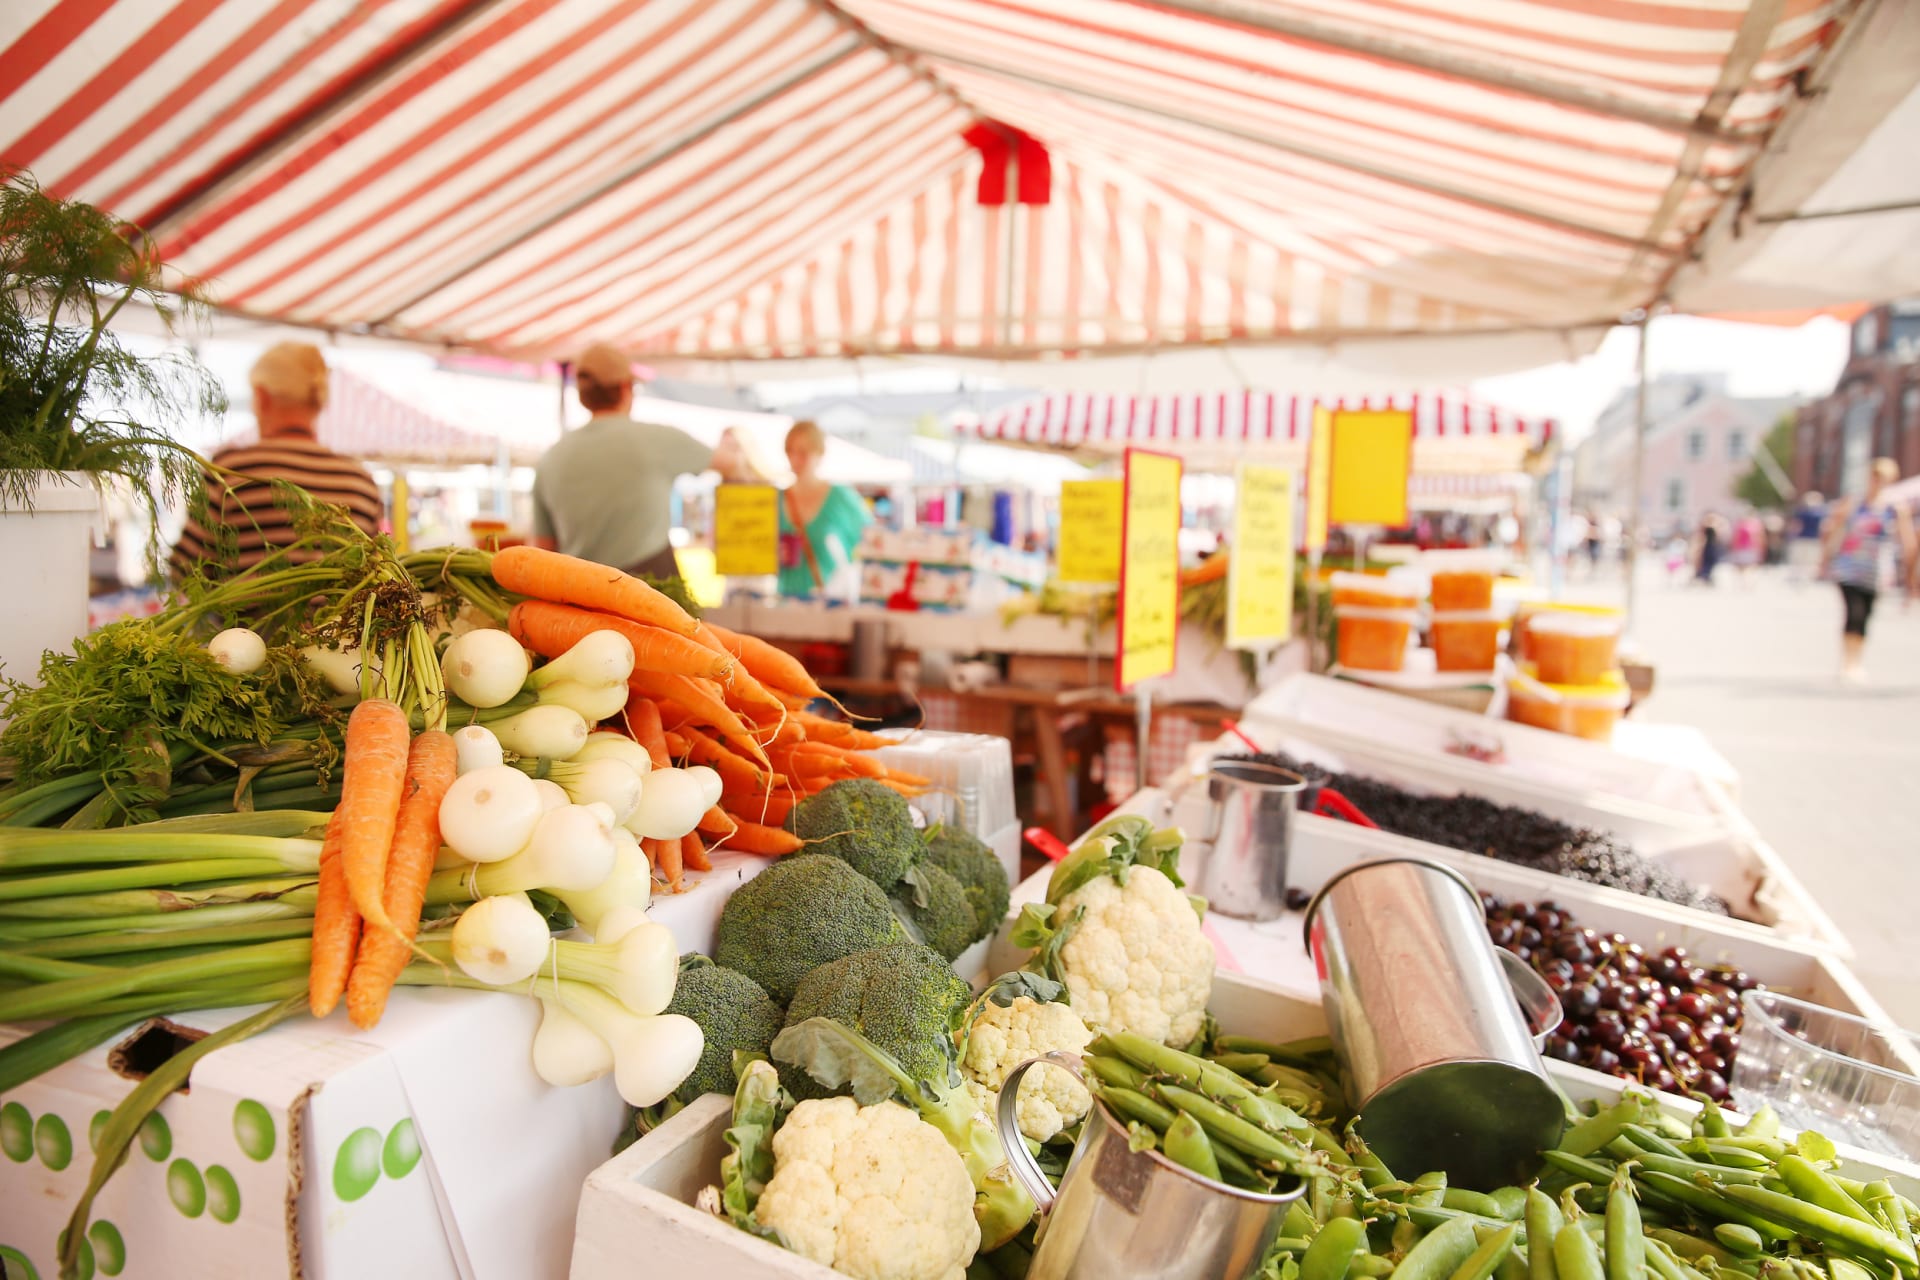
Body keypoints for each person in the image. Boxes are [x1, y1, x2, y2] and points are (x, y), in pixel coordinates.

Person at [530, 343, 752, 578]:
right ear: (626, 388)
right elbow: (730, 463)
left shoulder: (551, 459)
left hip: (581, 597)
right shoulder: (657, 440)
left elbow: (543, 549)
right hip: (654, 589)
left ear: (583, 395)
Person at [170, 343, 381, 578]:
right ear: (317, 402)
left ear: (262, 397)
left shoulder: (228, 469)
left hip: (244, 616)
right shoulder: (361, 481)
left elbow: (186, 569)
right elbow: (375, 572)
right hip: (343, 616)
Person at [1820, 458, 1915, 684]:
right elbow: (1835, 530)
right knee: (1854, 613)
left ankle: (1856, 658)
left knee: (1866, 616)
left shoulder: (1896, 509)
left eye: (1883, 479)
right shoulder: (1853, 503)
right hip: (1849, 567)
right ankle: (1847, 662)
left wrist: (1910, 573)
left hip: (1878, 570)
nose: (1878, 482)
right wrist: (1825, 559)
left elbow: (1907, 541)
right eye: (1875, 477)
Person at [776, 420, 871, 600]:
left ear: (819, 453)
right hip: (784, 602)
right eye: (790, 451)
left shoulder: (840, 498)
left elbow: (872, 540)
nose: (795, 459)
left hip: (829, 604)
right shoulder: (777, 499)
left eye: (803, 452)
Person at [1787, 490, 1827, 583]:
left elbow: (1796, 526)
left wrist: (1791, 536)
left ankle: (1798, 576)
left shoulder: (1802, 512)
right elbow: (1823, 528)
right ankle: (1805, 577)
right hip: (1813, 539)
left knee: (1799, 559)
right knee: (1809, 560)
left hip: (1802, 539)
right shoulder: (1821, 514)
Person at [1728, 513, 1764, 583]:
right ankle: (1748, 580)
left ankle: (1745, 580)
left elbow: (1736, 538)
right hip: (1749, 548)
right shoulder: (1755, 525)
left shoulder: (1742, 525)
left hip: (1745, 548)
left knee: (1744, 566)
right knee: (1748, 566)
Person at [1693, 516, 1723, 586]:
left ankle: (1705, 578)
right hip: (1708, 547)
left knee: (1708, 564)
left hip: (1710, 547)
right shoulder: (1707, 528)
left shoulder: (1708, 528)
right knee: (1707, 564)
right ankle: (1705, 578)